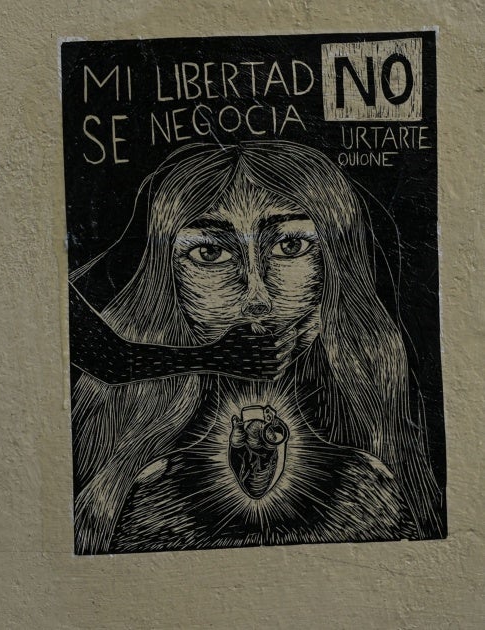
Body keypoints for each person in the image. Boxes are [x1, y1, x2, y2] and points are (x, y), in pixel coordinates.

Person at [70, 141, 444, 553]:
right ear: (165, 274)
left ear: (335, 261)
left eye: (289, 246)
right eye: (210, 252)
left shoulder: (375, 442)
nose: (257, 295)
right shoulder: (125, 453)